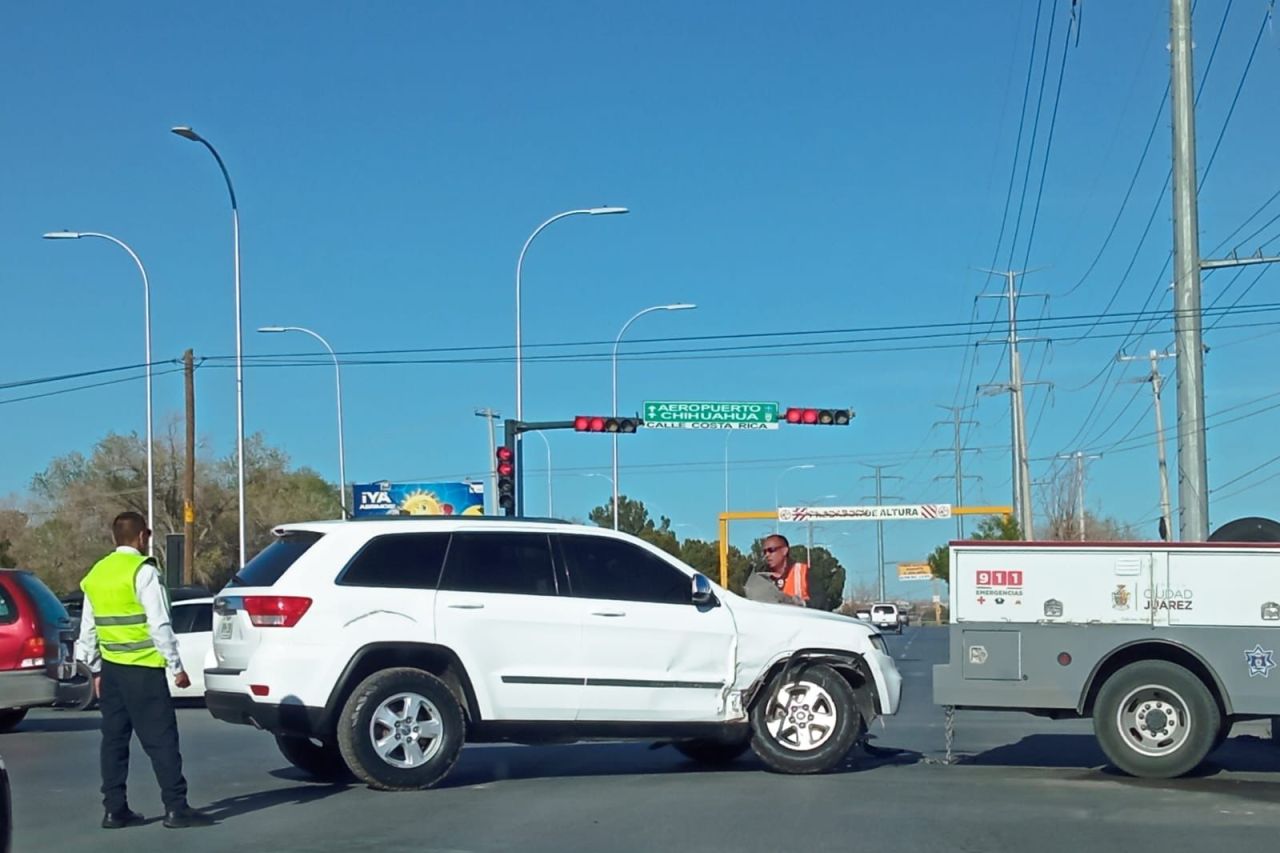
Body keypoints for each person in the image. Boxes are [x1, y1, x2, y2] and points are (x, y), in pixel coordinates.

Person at [75, 512, 213, 830]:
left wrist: (95, 670)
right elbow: (159, 623)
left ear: (114, 538)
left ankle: (114, 809)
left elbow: (89, 629)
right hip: (145, 671)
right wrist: (175, 666)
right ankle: (176, 808)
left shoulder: (96, 574)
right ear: (142, 537)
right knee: (161, 740)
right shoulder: (143, 571)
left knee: (113, 741)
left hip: (111, 673)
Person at [743, 534, 809, 606]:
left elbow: (819, 603)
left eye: (771, 550)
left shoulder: (803, 572)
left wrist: (795, 602)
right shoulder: (760, 576)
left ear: (784, 551)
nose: (767, 555)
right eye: (765, 552)